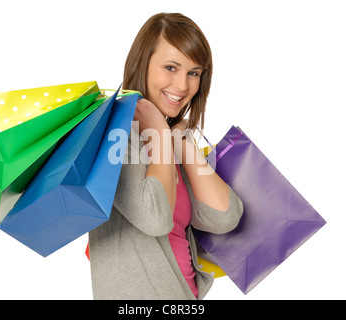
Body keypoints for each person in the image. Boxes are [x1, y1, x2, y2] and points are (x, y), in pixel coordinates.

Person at [89, 12, 244, 300]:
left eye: (193, 73)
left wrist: (179, 140)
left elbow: (225, 217)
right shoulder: (113, 135)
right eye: (171, 67)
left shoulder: (168, 141)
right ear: (143, 63)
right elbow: (156, 218)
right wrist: (160, 132)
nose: (183, 85)